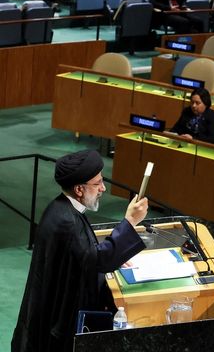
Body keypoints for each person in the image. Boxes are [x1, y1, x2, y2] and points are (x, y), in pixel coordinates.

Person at [12, 149, 148, 352]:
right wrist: (130, 222)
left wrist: (116, 254)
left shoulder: (61, 207)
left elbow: (84, 254)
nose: (103, 188)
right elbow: (97, 261)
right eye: (97, 183)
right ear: (79, 190)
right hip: (58, 324)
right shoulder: (67, 222)